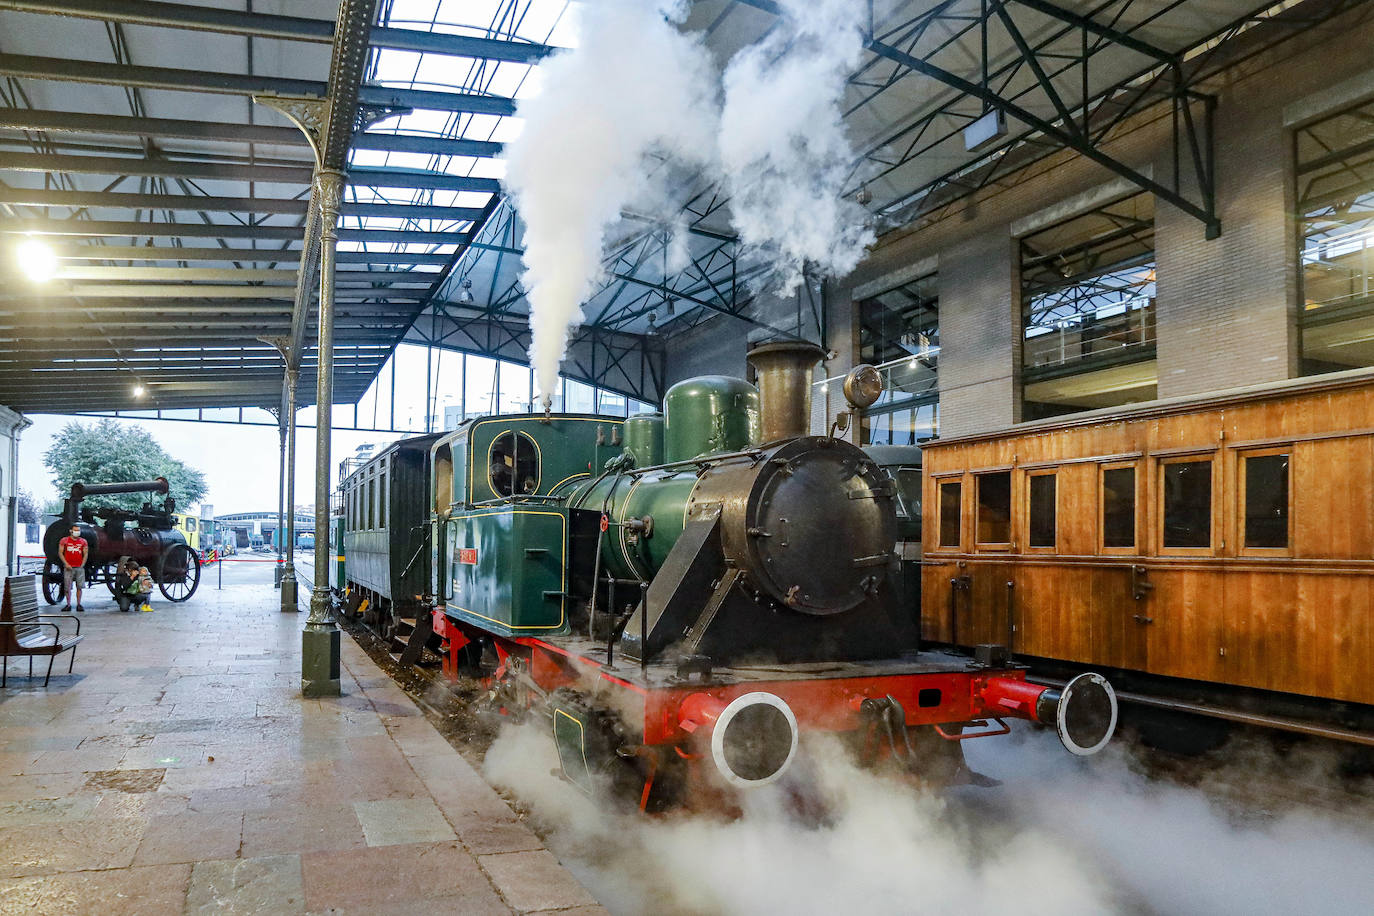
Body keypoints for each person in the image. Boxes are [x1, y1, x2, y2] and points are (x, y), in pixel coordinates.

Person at [57, 524, 88, 612]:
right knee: (67, 587)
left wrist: (83, 564)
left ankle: (79, 604)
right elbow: (60, 553)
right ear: (71, 531)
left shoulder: (83, 541)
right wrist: (66, 563)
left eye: (78, 530)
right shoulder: (64, 540)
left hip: (79, 567)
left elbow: (85, 553)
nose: (77, 532)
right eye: (75, 530)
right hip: (68, 567)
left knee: (79, 587)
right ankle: (68, 604)